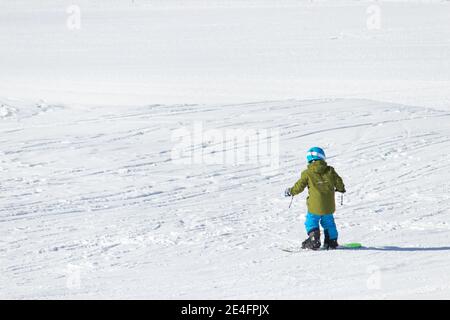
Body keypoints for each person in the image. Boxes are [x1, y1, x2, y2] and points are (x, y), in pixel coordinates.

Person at [285, 147, 346, 250]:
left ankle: (314, 239)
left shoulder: (307, 173)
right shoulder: (330, 170)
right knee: (329, 222)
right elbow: (338, 181)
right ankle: (332, 241)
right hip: (328, 205)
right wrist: (340, 189)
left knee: (311, 221)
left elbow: (299, 186)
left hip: (314, 205)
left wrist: (291, 191)